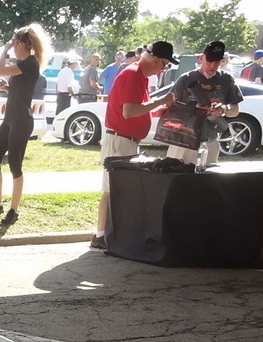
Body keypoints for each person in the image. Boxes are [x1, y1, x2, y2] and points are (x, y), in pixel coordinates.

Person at [91, 41, 179, 249]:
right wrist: (160, 101)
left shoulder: (139, 75)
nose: (163, 69)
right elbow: (129, 111)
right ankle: (102, 235)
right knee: (113, 189)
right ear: (156, 60)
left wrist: (156, 110)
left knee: (119, 189)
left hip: (126, 140)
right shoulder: (132, 74)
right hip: (120, 139)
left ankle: (110, 234)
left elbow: (137, 109)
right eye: (165, 65)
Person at [0, 23, 51, 227]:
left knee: (15, 164)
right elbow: (20, 90)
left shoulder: (30, 63)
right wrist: (7, 87)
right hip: (10, 119)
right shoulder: (23, 64)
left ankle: (14, 210)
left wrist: (3, 50)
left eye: (13, 43)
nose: (12, 47)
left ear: (21, 44)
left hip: (21, 121)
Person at [165, 40, 241, 166]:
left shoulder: (226, 79)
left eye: (216, 62)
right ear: (201, 58)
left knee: (207, 176)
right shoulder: (186, 78)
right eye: (209, 61)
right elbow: (169, 106)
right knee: (177, 174)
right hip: (183, 140)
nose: (212, 66)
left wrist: (224, 109)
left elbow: (235, 110)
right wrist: (193, 108)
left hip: (210, 140)